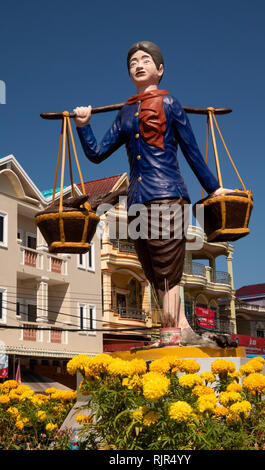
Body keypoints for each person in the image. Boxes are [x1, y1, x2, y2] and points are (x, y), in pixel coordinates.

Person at [73, 41, 234, 348]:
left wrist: (213, 187)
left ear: (159, 69)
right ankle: (180, 328)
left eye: (146, 59)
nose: (139, 64)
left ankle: (172, 332)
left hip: (167, 194)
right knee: (150, 266)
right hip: (136, 199)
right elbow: (96, 153)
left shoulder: (170, 103)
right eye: (133, 61)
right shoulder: (125, 112)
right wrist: (84, 125)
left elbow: (192, 152)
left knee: (166, 265)